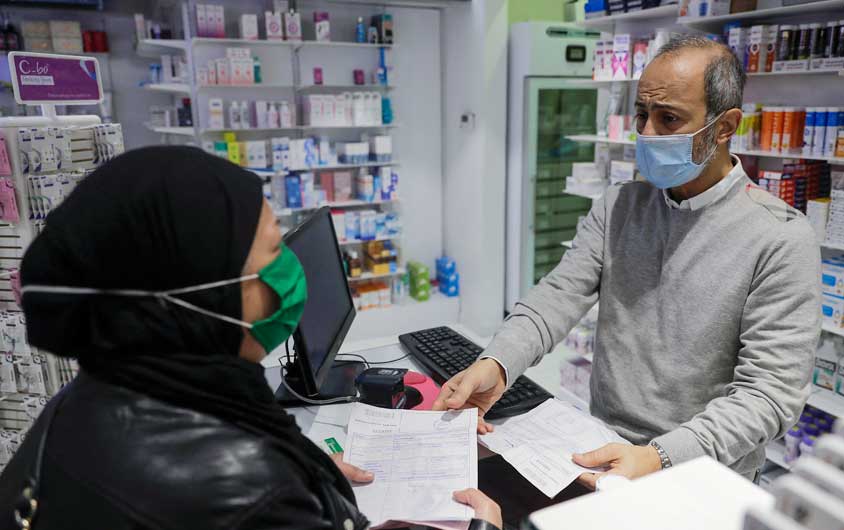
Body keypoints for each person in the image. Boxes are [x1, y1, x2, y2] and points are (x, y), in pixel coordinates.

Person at [0, 146, 501, 530]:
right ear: (199, 299)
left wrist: (302, 467)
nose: (290, 269)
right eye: (270, 251)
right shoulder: (248, 497)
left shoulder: (76, 403)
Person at [435, 35, 821, 487]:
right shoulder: (621, 204)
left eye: (669, 118)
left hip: (703, 473)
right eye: (642, 114)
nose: (649, 133)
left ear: (724, 125)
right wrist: (497, 363)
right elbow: (558, 295)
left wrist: (659, 456)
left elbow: (769, 394)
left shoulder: (779, 237)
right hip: (601, 447)